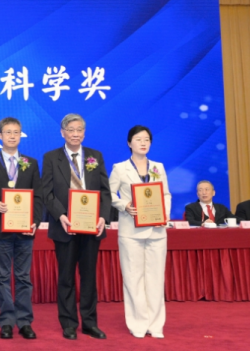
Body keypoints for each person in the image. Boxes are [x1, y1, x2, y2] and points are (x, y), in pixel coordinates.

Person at [41, 113, 111, 340]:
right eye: (71, 130)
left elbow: (105, 191)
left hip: (92, 226)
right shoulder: (51, 157)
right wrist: (61, 215)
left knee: (89, 277)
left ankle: (90, 323)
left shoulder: (95, 156)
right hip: (65, 226)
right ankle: (69, 323)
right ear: (62, 133)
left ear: (84, 133)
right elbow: (47, 192)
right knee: (66, 278)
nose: (75, 134)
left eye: (79, 129)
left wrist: (103, 217)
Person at [108, 125, 171, 339]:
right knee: (133, 277)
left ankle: (156, 325)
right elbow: (109, 193)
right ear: (129, 143)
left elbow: (166, 194)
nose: (143, 143)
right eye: (138, 139)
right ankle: (137, 323)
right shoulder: (120, 168)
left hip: (157, 230)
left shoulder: (158, 167)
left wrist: (164, 215)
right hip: (131, 231)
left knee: (155, 278)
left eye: (147, 139)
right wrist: (124, 205)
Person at [0, 117, 42, 340]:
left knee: (23, 277)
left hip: (25, 230)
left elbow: (38, 196)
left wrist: (35, 221)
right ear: (0, 136)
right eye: (8, 132)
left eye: (16, 132)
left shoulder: (31, 163)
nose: (12, 136)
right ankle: (7, 321)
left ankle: (25, 322)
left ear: (21, 135)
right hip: (0, 229)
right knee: (2, 278)